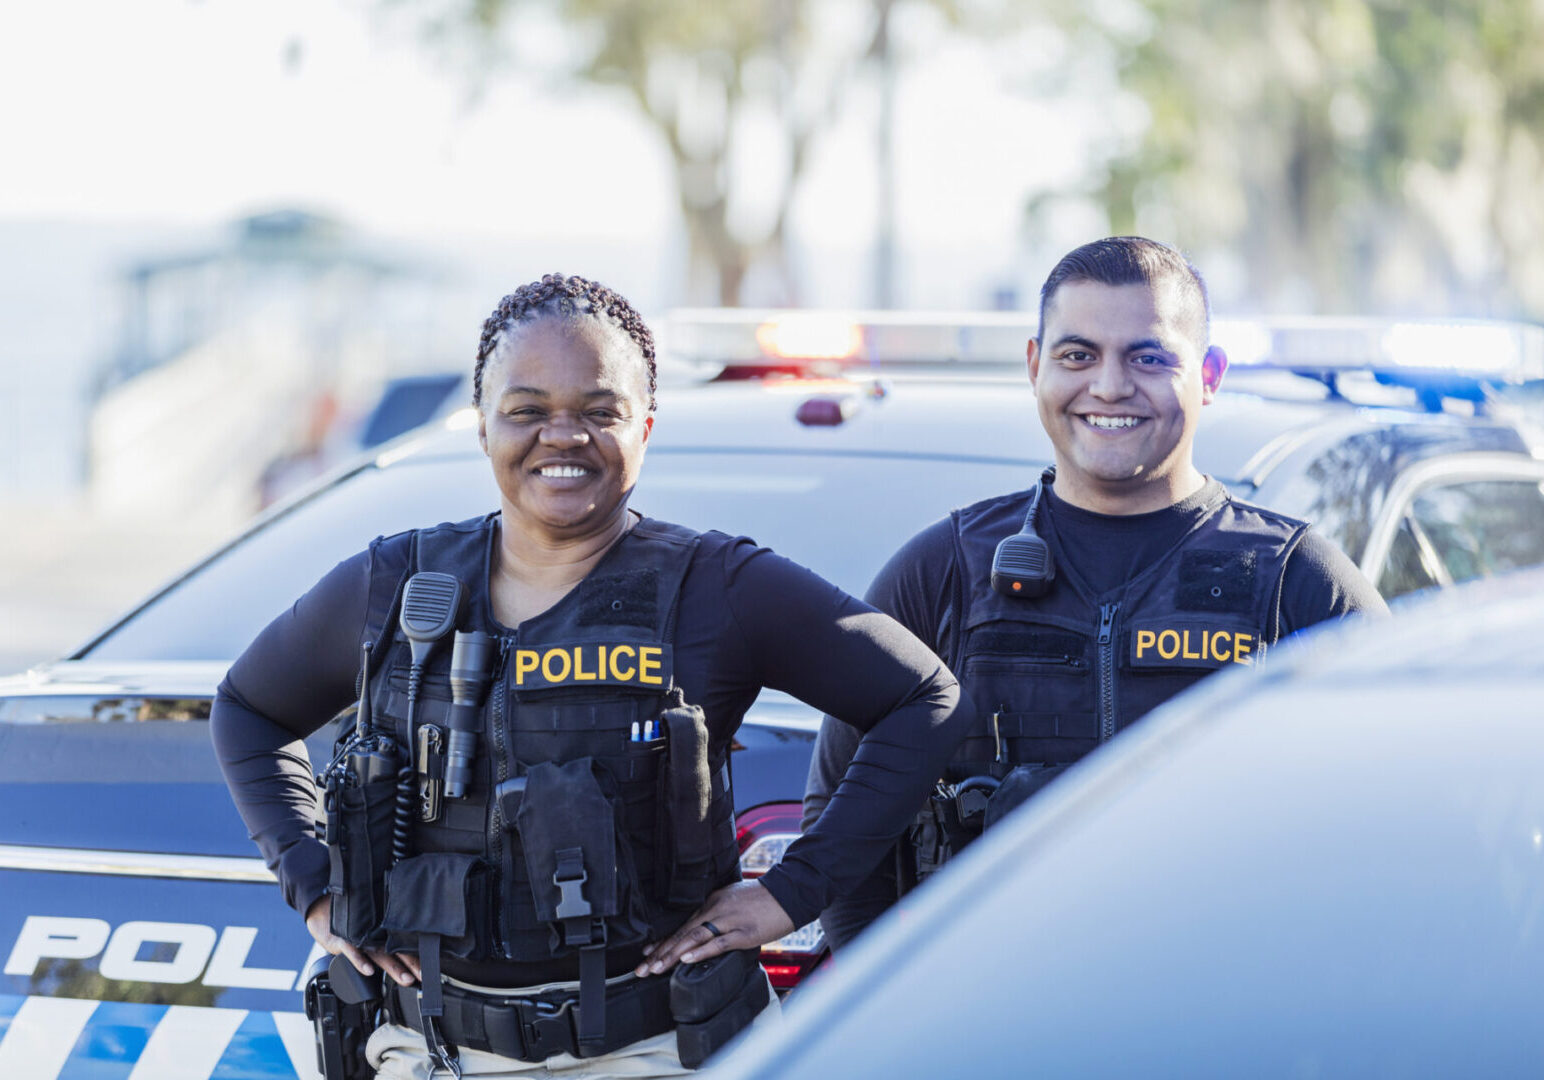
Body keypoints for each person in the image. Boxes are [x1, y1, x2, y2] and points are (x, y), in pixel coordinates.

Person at [211, 274, 971, 1079]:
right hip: (428, 1052)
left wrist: (793, 891)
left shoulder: (719, 586)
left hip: (653, 1051)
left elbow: (925, 698)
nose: (562, 436)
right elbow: (247, 709)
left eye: (599, 412)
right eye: (527, 410)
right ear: (483, 427)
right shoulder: (394, 586)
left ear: (644, 426)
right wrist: (313, 884)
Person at [804, 237, 1389, 951]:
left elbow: (1398, 817)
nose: (1109, 386)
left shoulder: (1297, 582)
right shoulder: (943, 572)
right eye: (1078, 355)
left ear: (1208, 375)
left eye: (1148, 357)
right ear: (1034, 366)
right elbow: (838, 823)